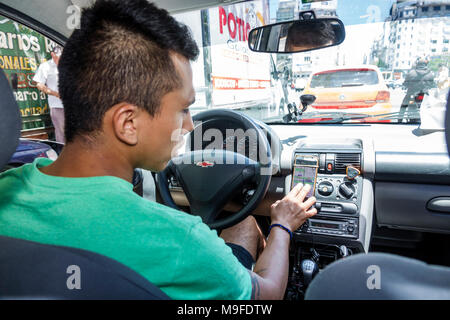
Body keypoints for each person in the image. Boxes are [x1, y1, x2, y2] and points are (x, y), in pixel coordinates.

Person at [0, 0, 317, 300]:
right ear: (128, 124)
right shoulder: (179, 240)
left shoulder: (8, 187)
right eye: (183, 109)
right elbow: (267, 293)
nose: (191, 127)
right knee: (245, 222)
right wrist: (282, 224)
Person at [33, 45, 65, 142]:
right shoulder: (45, 66)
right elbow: (39, 84)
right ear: (52, 54)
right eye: (59, 57)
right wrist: (55, 93)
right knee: (62, 134)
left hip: (74, 106)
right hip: (58, 106)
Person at [398, 58, 435, 123]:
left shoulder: (412, 73)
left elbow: (405, 83)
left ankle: (399, 120)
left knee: (403, 105)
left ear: (418, 64)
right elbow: (432, 84)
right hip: (424, 94)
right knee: (430, 106)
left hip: (411, 93)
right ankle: (431, 120)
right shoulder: (430, 74)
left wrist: (406, 85)